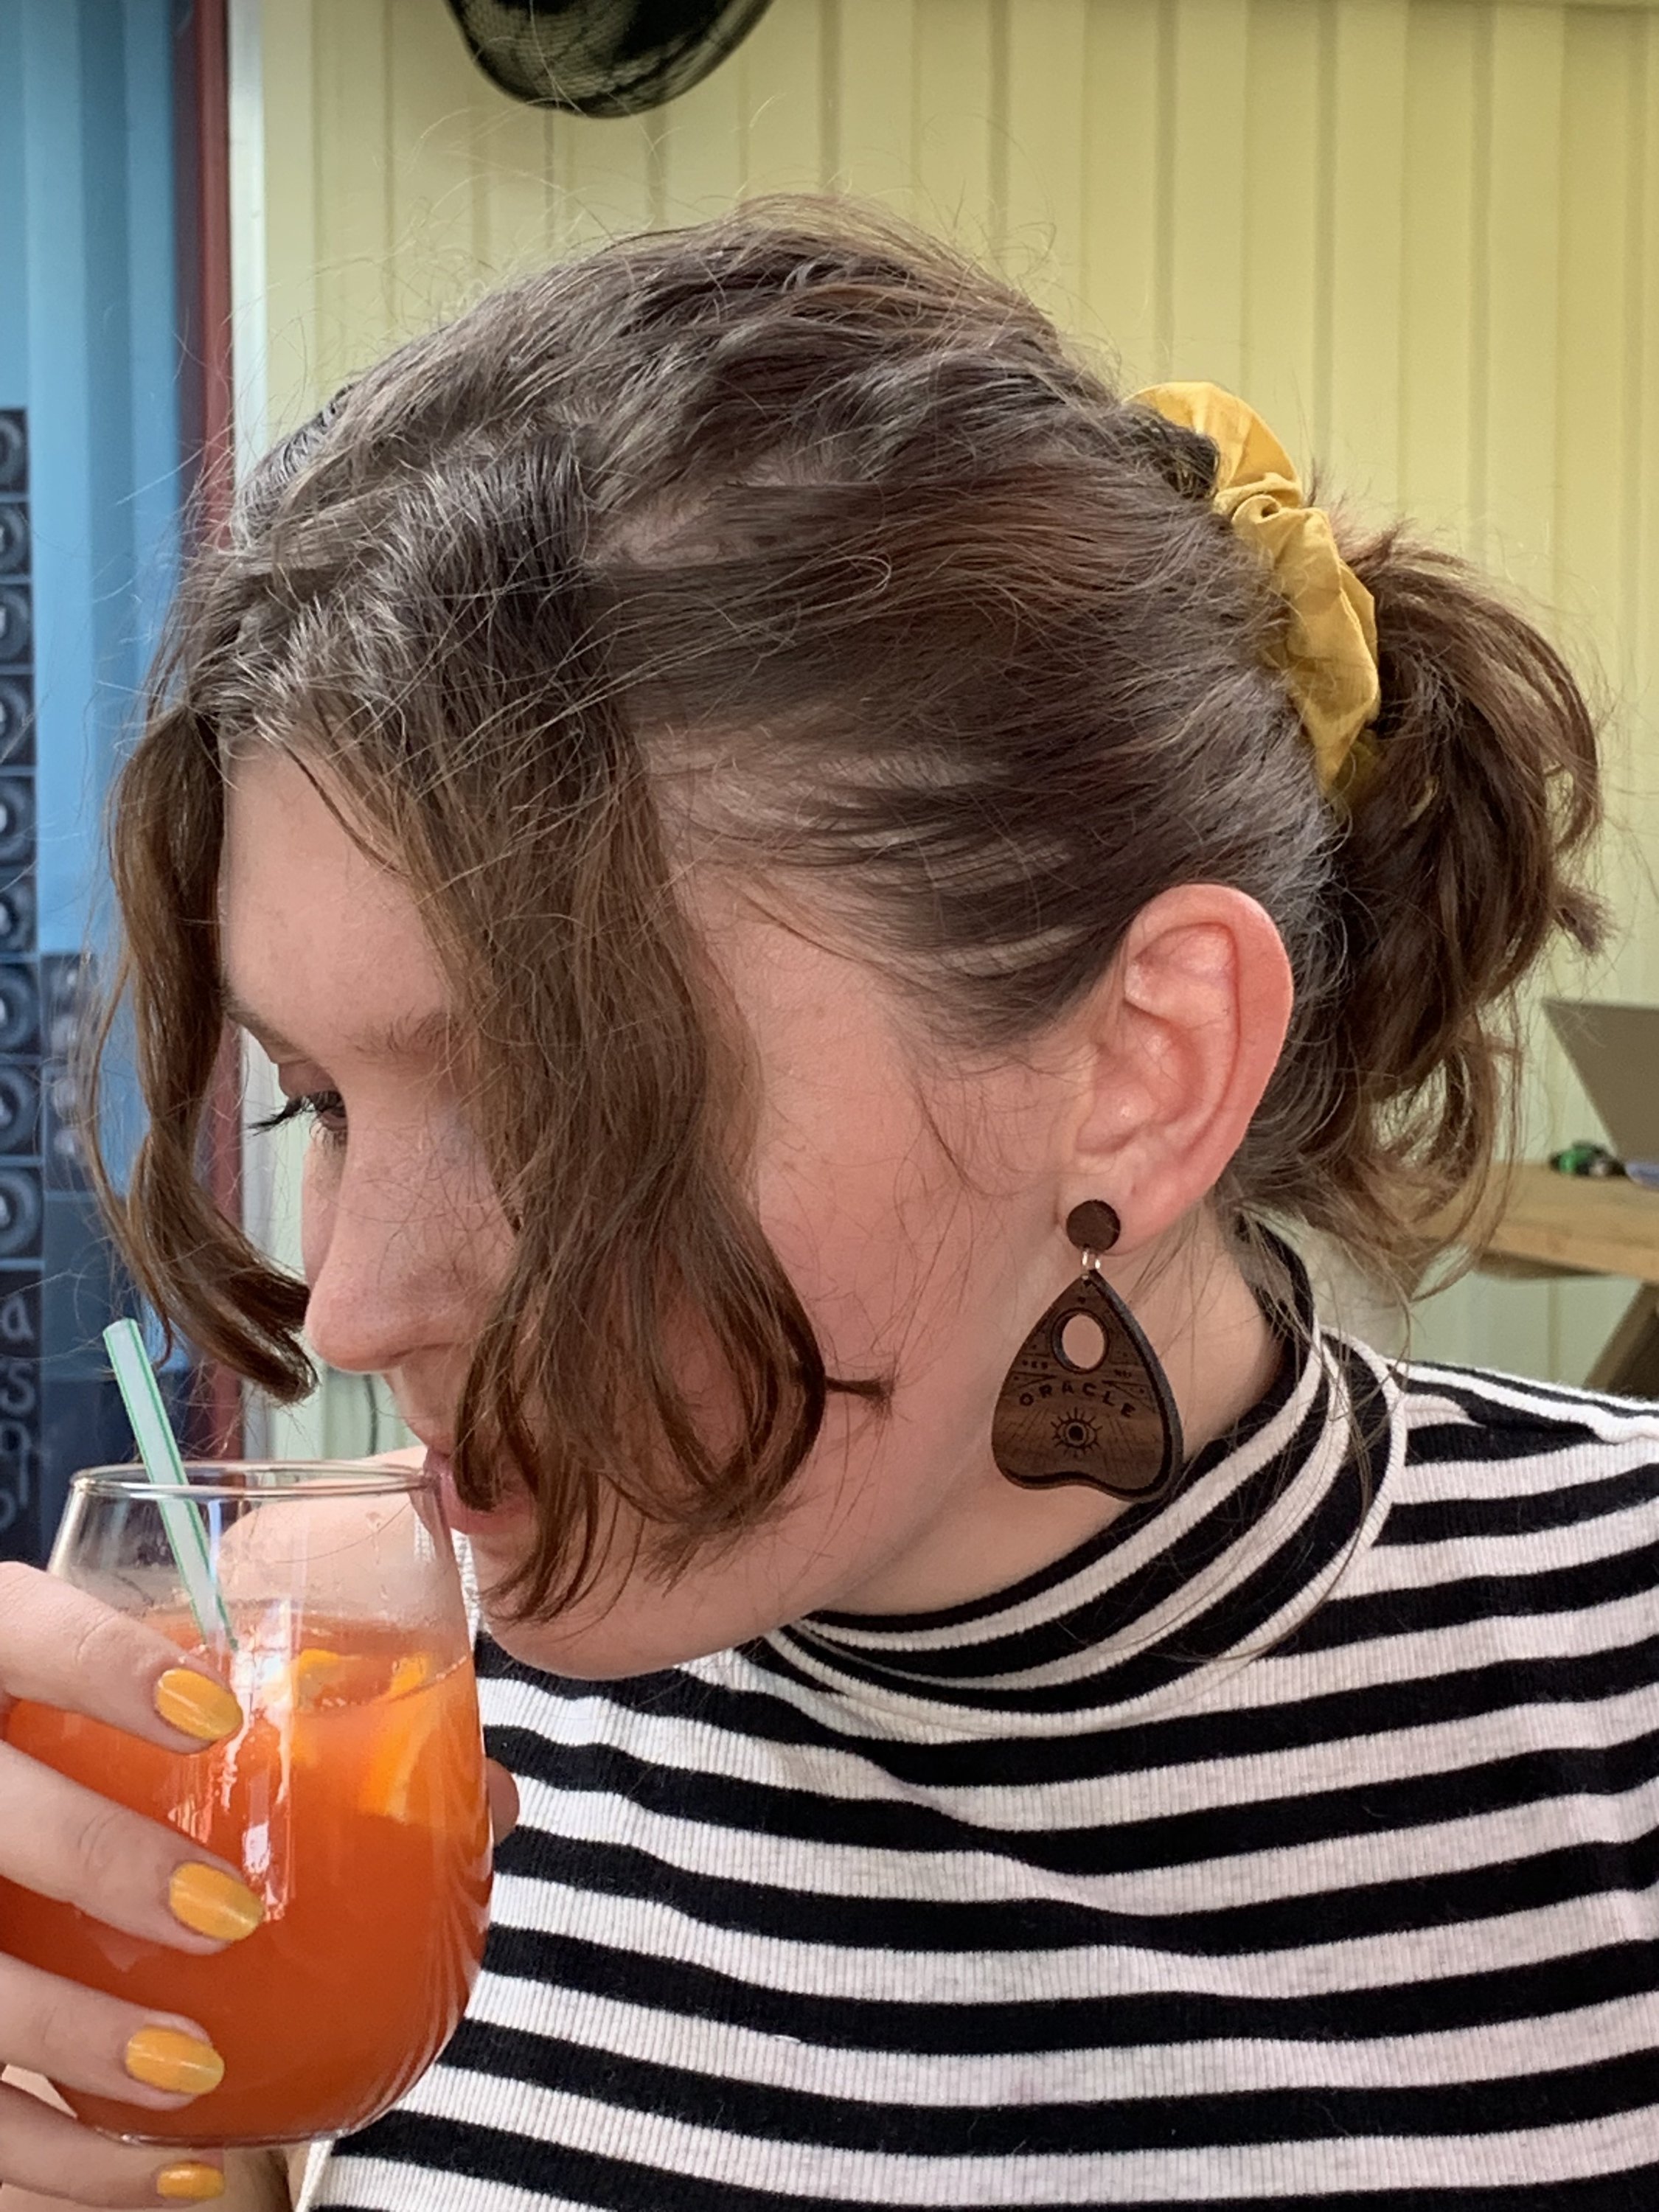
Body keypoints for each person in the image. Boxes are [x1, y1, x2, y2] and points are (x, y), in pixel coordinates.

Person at [0, 202, 1653, 2212]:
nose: (346, 1312)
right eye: (319, 1097)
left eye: (561, 1100)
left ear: (1140, 1066)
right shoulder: (298, 1776)